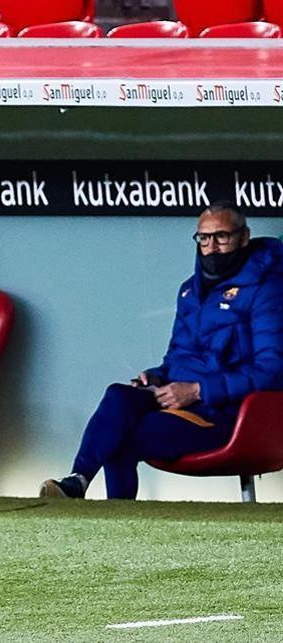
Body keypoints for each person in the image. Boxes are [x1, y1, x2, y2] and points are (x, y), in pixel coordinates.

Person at [42, 202, 283, 500]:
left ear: (243, 237)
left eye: (222, 237)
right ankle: (76, 481)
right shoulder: (189, 291)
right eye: (204, 238)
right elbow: (176, 358)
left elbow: (273, 372)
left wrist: (197, 390)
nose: (212, 247)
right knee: (119, 396)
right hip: (179, 402)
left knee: (125, 436)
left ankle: (114, 524)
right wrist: (157, 378)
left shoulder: (267, 289)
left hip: (226, 415)